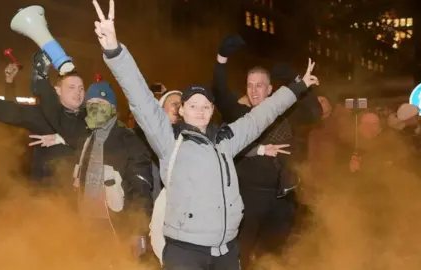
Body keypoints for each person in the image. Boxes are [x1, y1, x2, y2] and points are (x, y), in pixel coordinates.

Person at [90, 1, 319, 268]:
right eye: (193, 105)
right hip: (185, 253)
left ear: (212, 110)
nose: (200, 111)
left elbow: (263, 115)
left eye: (205, 106)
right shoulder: (169, 142)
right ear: (183, 111)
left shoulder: (226, 140)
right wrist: (115, 51)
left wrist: (297, 86)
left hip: (226, 252)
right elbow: (140, 97)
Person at [213, 35, 320, 268]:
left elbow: (315, 112)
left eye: (259, 85)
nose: (253, 90)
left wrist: (296, 79)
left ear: (271, 89)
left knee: (275, 257)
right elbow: (220, 93)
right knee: (243, 256)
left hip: (282, 199)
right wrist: (221, 60)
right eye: (249, 85)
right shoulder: (240, 115)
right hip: (248, 199)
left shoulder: (287, 113)